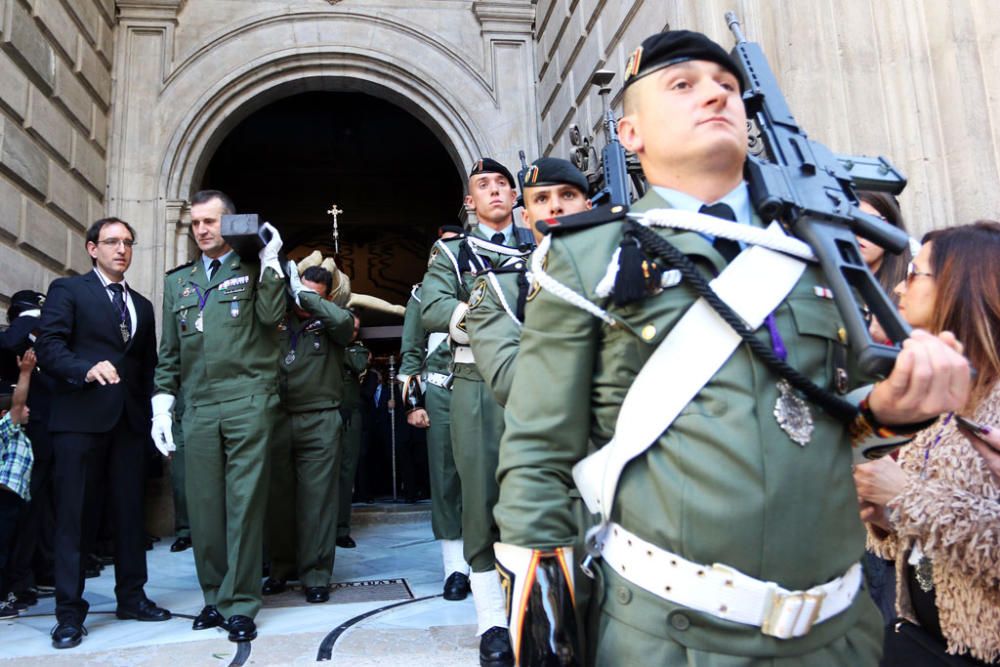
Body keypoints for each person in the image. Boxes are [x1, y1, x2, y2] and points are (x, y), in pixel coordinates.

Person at [493, 30, 971, 666]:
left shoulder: (817, 249)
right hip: (670, 638)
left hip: (838, 634)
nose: (714, 97)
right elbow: (538, 449)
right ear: (630, 133)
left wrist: (894, 408)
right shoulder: (588, 258)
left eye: (726, 88)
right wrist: (543, 610)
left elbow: (832, 408)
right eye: (683, 86)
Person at [854, 221, 1000, 665]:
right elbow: (929, 528)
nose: (900, 285)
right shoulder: (950, 391)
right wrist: (886, 516)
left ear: (962, 285)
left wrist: (903, 496)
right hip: (921, 635)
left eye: (916, 273)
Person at [150, 189, 285, 643]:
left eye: (212, 222)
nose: (203, 230)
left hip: (248, 399)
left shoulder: (253, 269)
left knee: (244, 505)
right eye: (196, 223)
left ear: (229, 224)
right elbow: (170, 351)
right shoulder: (178, 282)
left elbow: (270, 317)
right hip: (200, 406)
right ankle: (214, 596)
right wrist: (162, 402)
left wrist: (270, 261)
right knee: (203, 506)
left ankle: (241, 601)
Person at [35, 217, 169, 649]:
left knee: (131, 516)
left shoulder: (143, 306)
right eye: (112, 242)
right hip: (79, 422)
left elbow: (147, 367)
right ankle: (69, 614)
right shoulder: (69, 291)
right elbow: (50, 347)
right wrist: (85, 369)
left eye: (128, 242)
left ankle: (132, 598)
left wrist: (155, 419)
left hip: (129, 426)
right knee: (74, 518)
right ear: (92, 248)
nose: (121, 249)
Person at [421, 158, 534, 667]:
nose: (493, 192)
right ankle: (491, 619)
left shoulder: (540, 244)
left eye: (501, 185)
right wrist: (477, 320)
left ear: (515, 195)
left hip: (543, 383)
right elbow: (432, 306)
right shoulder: (453, 251)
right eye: (482, 186)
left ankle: (542, 600)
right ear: (469, 202)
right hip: (478, 383)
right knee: (481, 496)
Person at [466, 157, 591, 407]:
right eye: (542, 199)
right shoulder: (500, 290)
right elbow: (513, 384)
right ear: (525, 216)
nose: (555, 207)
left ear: (588, 206)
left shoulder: (628, 266)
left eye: (567, 195)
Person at [263, 262, 355, 603]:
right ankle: (281, 567)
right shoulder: (278, 318)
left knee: (317, 501)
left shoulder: (333, 321)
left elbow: (345, 324)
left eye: (313, 296)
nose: (303, 303)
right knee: (278, 500)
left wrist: (307, 296)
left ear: (326, 297)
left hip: (319, 418)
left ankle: (316, 573)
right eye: (299, 293)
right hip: (278, 418)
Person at [398, 270, 468, 600]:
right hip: (440, 392)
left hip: (487, 387)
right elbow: (411, 350)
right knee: (446, 478)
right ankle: (455, 567)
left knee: (487, 476)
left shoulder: (488, 279)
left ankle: (488, 559)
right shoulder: (421, 294)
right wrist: (413, 403)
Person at [0, 290, 56, 605]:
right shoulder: (12, 345)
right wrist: (29, 318)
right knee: (18, 518)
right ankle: (16, 582)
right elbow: (9, 342)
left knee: (36, 516)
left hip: (42, 449)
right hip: (14, 454)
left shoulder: (44, 351)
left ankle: (29, 577)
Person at [0, 350, 35, 620]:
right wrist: (25, 373)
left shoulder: (21, 436)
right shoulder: (6, 427)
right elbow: (17, 403)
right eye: (24, 407)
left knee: (14, 551)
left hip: (17, 502)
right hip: (4, 502)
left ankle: (11, 594)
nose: (27, 410)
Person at [336, 332, 368, 547]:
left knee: (346, 474)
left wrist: (339, 346)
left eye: (355, 329)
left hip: (349, 416)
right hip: (322, 412)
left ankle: (341, 529)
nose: (352, 332)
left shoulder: (357, 349)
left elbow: (358, 363)